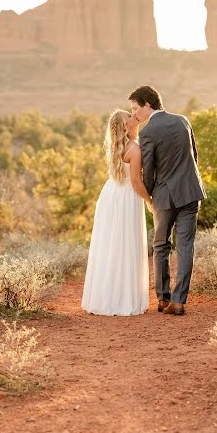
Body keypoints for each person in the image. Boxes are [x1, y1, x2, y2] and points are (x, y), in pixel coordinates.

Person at [129, 86, 206, 316]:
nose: (134, 114)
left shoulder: (148, 131)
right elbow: (194, 154)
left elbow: (149, 169)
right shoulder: (183, 120)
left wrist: (150, 197)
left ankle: (163, 299)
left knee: (161, 245)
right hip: (191, 191)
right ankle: (180, 301)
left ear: (147, 105)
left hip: (165, 197)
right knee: (185, 247)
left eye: (135, 108)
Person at [81, 110, 151, 316]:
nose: (134, 116)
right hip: (127, 197)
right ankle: (122, 299)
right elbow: (137, 182)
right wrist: (150, 201)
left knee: (111, 245)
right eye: (130, 116)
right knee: (126, 244)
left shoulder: (115, 146)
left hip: (111, 194)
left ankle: (106, 297)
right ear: (125, 126)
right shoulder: (134, 149)